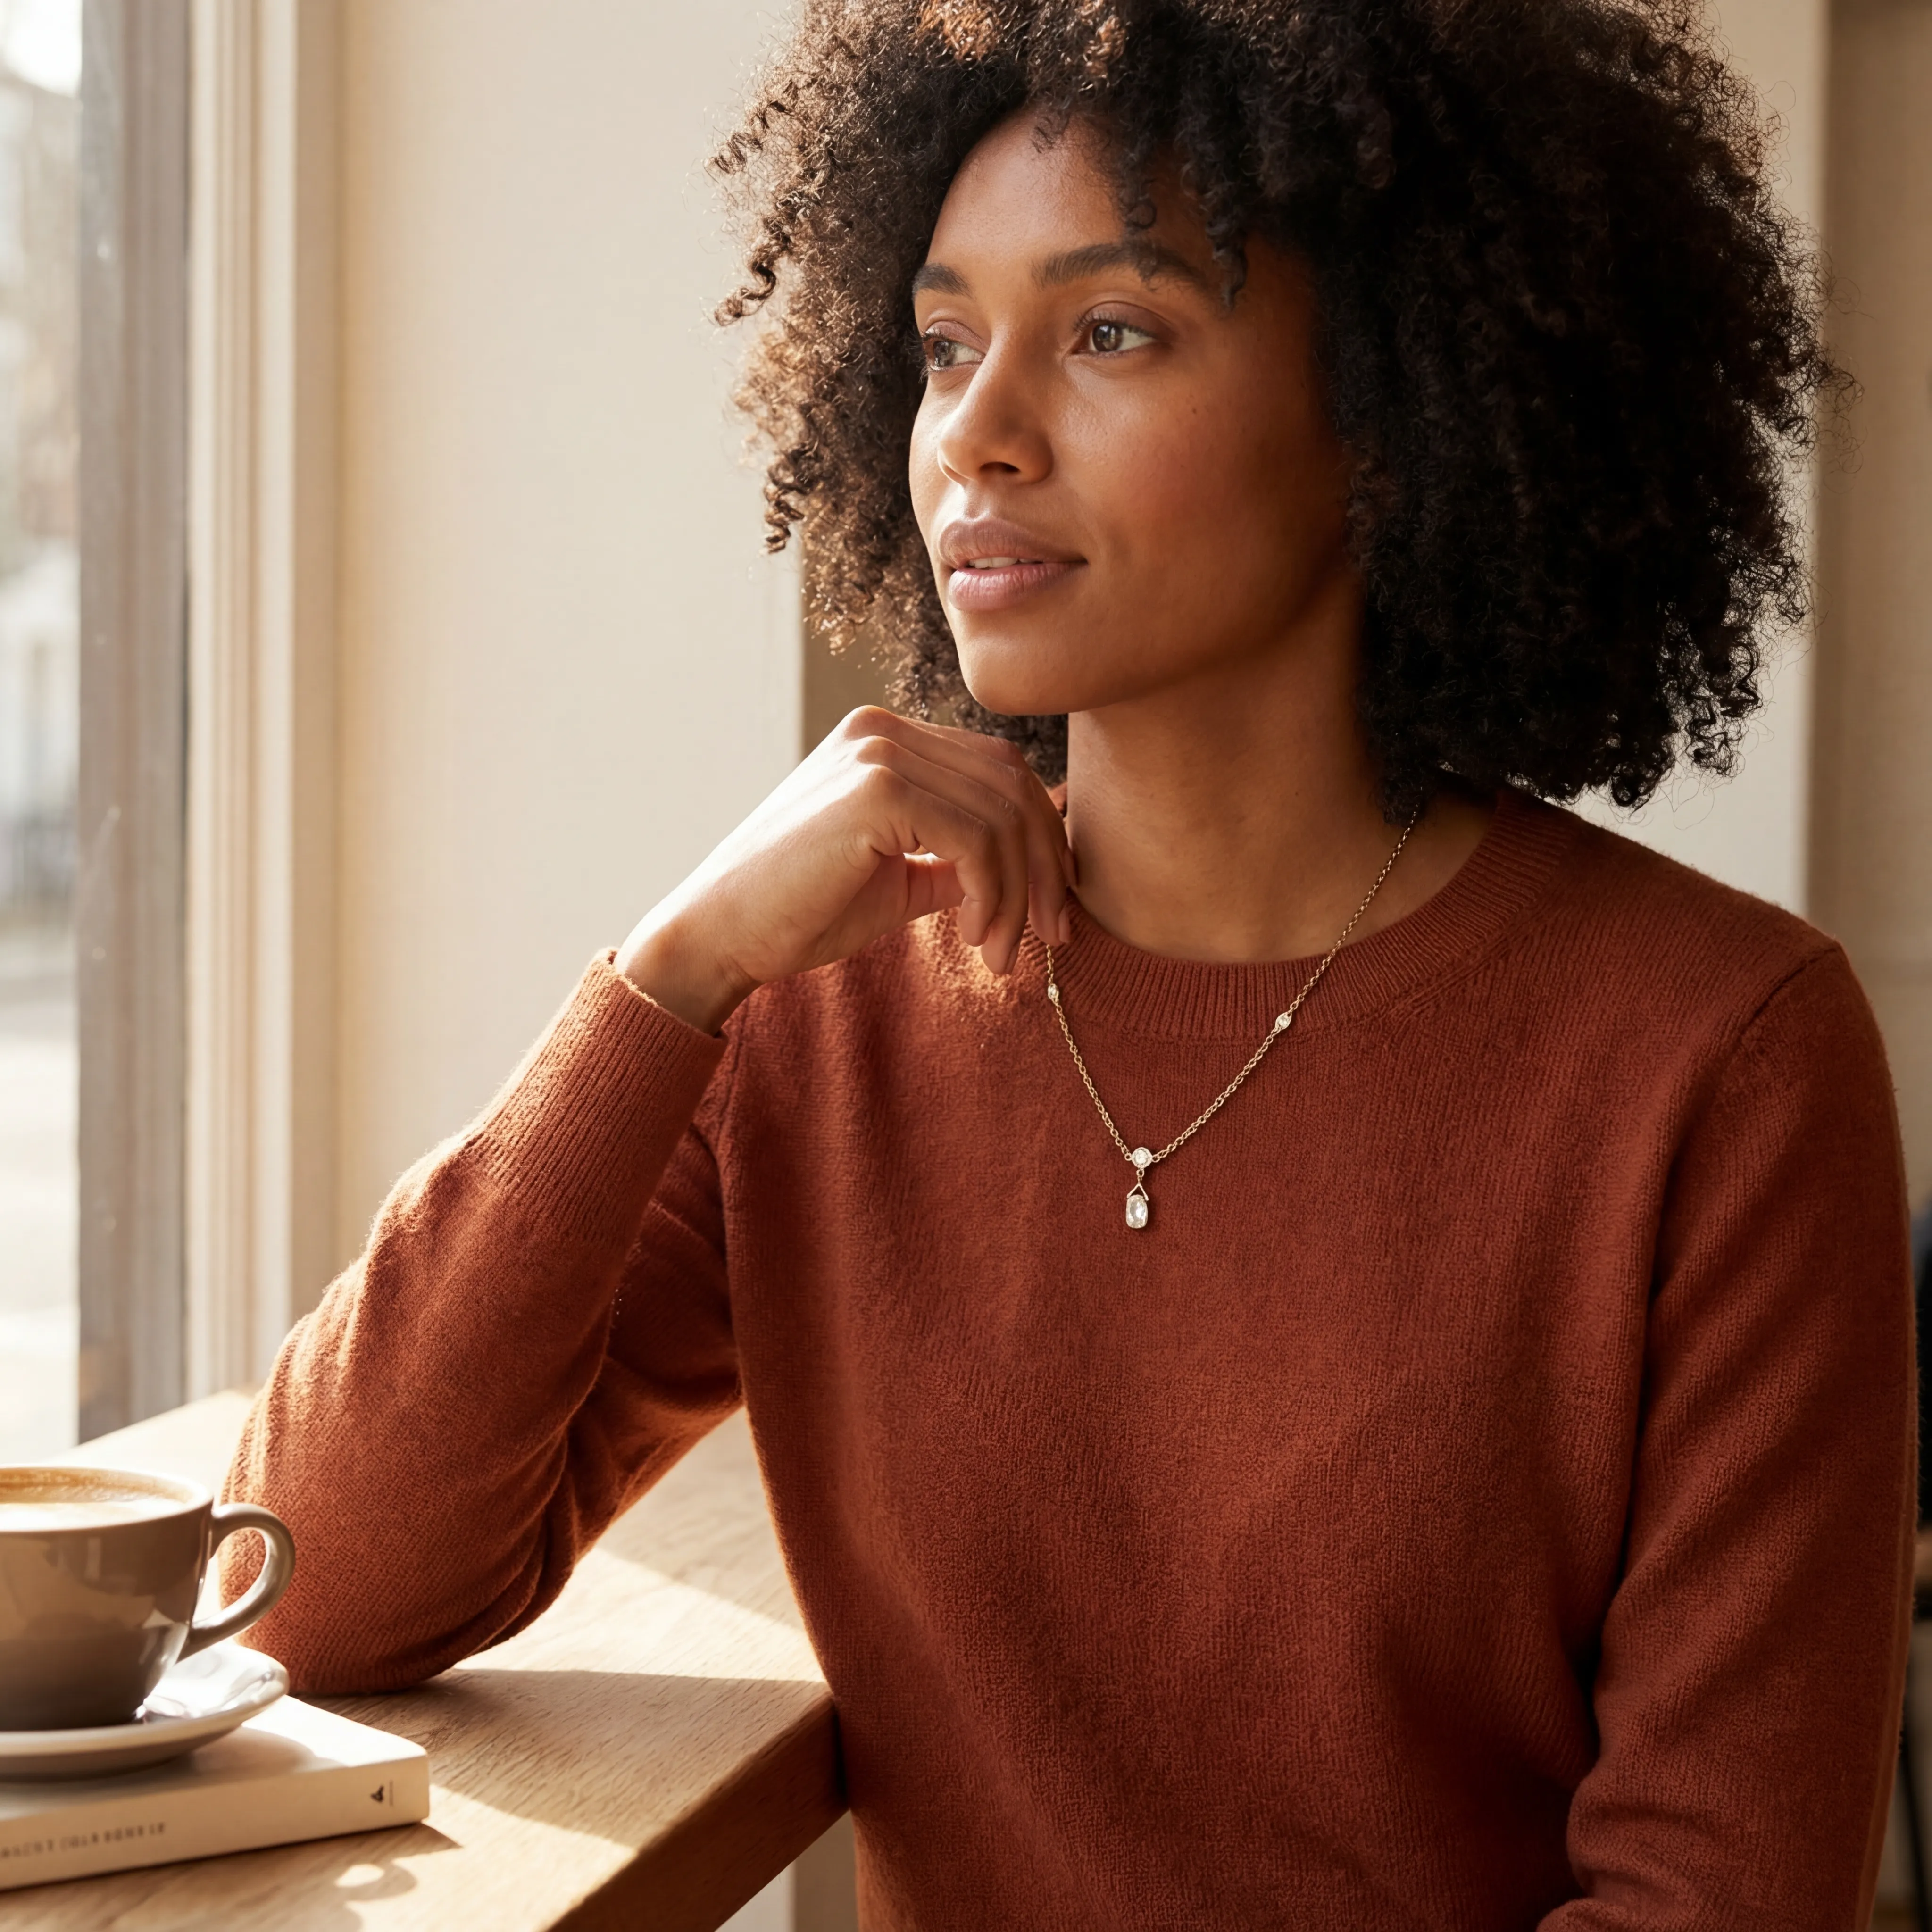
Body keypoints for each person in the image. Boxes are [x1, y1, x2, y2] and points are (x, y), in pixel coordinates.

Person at [222, 1, 1917, 1924]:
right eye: (946, 343)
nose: (977, 432)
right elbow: (316, 1583)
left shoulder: (1722, 1053)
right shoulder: (813, 1007)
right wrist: (669, 973)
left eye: (1110, 331)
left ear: (1388, 411)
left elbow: (1722, 1886)